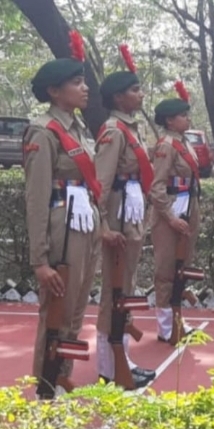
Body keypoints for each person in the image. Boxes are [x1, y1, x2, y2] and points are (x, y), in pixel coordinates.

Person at [24, 31, 101, 397]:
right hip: (62, 228)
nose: (84, 88)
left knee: (74, 311)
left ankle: (61, 377)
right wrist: (40, 260)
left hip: (85, 224)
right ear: (54, 91)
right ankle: (44, 389)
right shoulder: (44, 132)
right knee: (56, 312)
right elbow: (37, 197)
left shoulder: (78, 127)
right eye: (76, 82)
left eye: (84, 81)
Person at [93, 44, 156, 388]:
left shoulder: (130, 128)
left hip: (130, 214)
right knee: (113, 292)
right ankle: (108, 366)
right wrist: (103, 226)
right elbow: (101, 184)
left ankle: (124, 360)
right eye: (134, 89)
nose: (140, 94)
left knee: (126, 288)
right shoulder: (114, 131)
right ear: (118, 97)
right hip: (116, 217)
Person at [149, 82, 199, 344]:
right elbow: (156, 186)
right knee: (167, 269)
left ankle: (177, 318)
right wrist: (169, 217)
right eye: (182, 115)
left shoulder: (184, 142)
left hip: (188, 205)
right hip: (171, 208)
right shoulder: (167, 145)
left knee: (182, 267)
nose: (188, 119)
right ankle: (165, 326)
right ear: (170, 120)